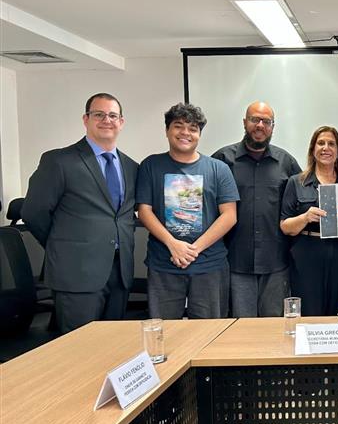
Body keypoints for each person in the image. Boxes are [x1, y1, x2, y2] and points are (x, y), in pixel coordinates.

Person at [22, 92, 138, 333]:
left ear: (122, 122)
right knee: (79, 353)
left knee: (114, 349)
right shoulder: (60, 161)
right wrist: (61, 245)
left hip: (120, 273)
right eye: (99, 114)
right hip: (76, 274)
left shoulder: (132, 167)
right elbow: (34, 212)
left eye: (113, 115)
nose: (107, 120)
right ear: (86, 119)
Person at [136, 103, 239, 319]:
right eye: (178, 126)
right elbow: (144, 211)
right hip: (164, 264)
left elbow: (229, 215)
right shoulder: (150, 165)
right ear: (167, 131)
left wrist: (192, 250)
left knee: (209, 335)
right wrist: (173, 245)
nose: (185, 133)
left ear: (199, 134)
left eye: (193, 128)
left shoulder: (218, 168)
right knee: (163, 333)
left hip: (209, 265)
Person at [212, 101, 301, 317]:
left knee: (274, 328)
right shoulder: (222, 161)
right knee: (240, 329)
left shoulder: (286, 162)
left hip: (277, 261)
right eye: (254, 119)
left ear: (273, 126)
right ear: (245, 122)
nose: (260, 125)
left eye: (266, 121)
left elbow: (300, 206)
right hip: (235, 260)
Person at [280, 126, 338, 315]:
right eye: (321, 143)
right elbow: (285, 226)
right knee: (310, 312)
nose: (326, 148)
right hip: (307, 255)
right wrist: (305, 217)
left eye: (331, 144)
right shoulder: (296, 182)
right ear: (312, 149)